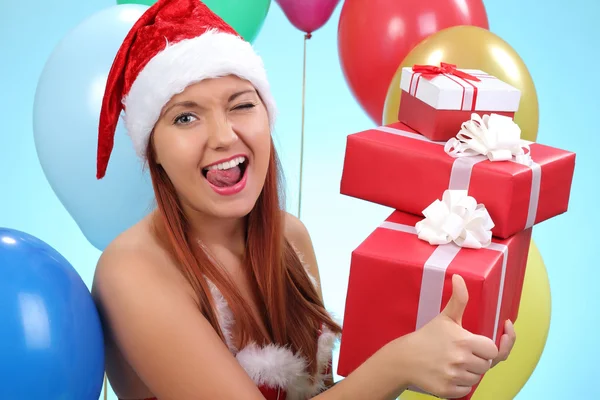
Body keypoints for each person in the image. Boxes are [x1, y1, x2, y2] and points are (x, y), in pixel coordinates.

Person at [91, 0, 517, 399]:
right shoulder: (131, 270)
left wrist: (453, 344)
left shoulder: (289, 238)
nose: (223, 137)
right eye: (186, 117)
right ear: (154, 151)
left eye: (241, 105)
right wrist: (400, 364)